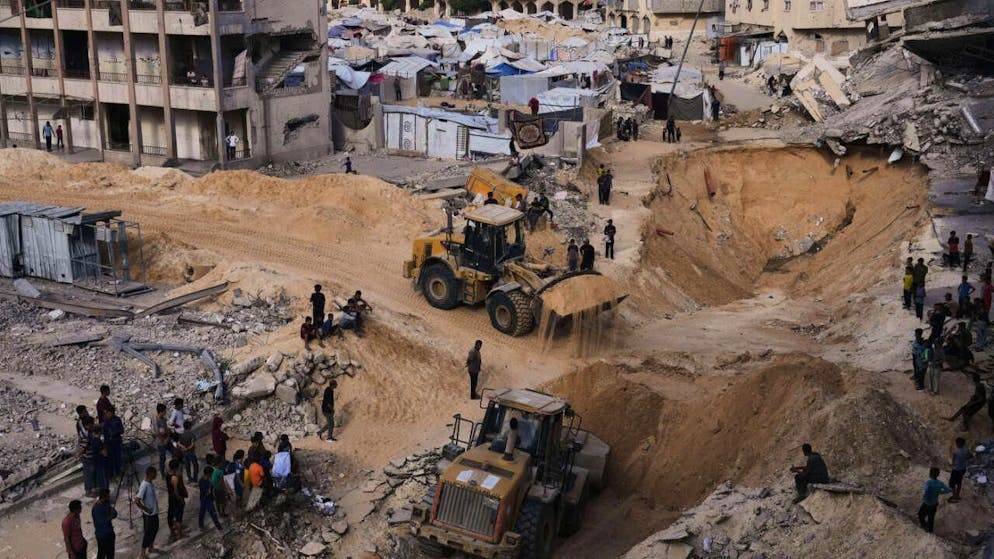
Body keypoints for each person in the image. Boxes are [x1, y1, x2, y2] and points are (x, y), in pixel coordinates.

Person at [135, 467, 159, 559]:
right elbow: (137, 500)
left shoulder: (150, 483)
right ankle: (142, 553)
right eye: (155, 473)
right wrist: (145, 508)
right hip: (149, 515)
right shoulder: (144, 485)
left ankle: (151, 547)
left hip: (153, 512)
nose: (156, 475)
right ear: (151, 474)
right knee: (148, 532)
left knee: (155, 529)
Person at [918, 466, 951, 532]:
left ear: (931, 474)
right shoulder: (940, 483)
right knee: (931, 518)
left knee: (920, 514)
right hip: (934, 504)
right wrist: (939, 492)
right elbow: (948, 490)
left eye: (930, 472)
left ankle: (923, 525)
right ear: (938, 475)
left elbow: (927, 491)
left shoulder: (928, 482)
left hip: (927, 503)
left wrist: (925, 498)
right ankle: (930, 531)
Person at [92, 488, 117, 559]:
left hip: (109, 533)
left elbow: (115, 513)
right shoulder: (96, 508)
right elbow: (102, 522)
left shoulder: (106, 504)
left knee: (111, 553)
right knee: (102, 554)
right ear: (105, 496)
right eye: (108, 495)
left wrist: (111, 515)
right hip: (102, 535)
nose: (109, 497)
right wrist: (110, 517)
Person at [166, 458, 187, 540]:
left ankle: (173, 532)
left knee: (171, 514)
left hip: (170, 498)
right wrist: (181, 500)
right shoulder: (174, 478)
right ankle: (180, 534)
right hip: (176, 499)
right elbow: (176, 491)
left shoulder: (168, 475)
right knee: (178, 517)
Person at [77, 415, 97, 497]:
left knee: (90, 473)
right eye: (92, 424)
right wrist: (79, 455)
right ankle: (89, 491)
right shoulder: (85, 435)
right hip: (88, 457)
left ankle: (91, 488)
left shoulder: (85, 432)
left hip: (89, 456)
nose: (93, 425)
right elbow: (82, 448)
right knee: (88, 474)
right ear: (87, 425)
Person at [102, 405, 124, 479]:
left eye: (110, 413)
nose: (108, 415)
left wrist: (114, 433)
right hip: (109, 444)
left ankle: (118, 474)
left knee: (118, 459)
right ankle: (111, 475)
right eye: (107, 413)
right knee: (111, 461)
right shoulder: (105, 421)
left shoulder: (117, 419)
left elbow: (122, 430)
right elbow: (105, 433)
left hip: (117, 442)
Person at [198, 466, 223, 531]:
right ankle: (219, 527)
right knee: (213, 513)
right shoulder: (204, 481)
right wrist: (209, 490)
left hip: (205, 498)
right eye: (211, 474)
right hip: (206, 499)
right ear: (208, 473)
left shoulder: (205, 480)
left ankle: (201, 525)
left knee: (202, 511)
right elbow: (205, 491)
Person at [949, 437, 971, 503]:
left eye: (956, 443)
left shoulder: (955, 451)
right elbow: (971, 456)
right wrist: (965, 459)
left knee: (951, 483)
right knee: (959, 482)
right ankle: (958, 495)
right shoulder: (966, 450)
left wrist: (952, 465)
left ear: (958, 443)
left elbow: (953, 461)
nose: (956, 444)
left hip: (956, 469)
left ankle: (954, 496)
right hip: (963, 469)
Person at [154, 403, 171, 478]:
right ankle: (162, 473)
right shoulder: (155, 421)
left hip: (166, 439)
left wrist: (167, 438)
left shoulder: (163, 419)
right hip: (161, 442)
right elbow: (157, 433)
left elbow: (167, 429)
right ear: (161, 411)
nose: (165, 412)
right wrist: (164, 440)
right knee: (162, 458)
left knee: (174, 452)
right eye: (164, 411)